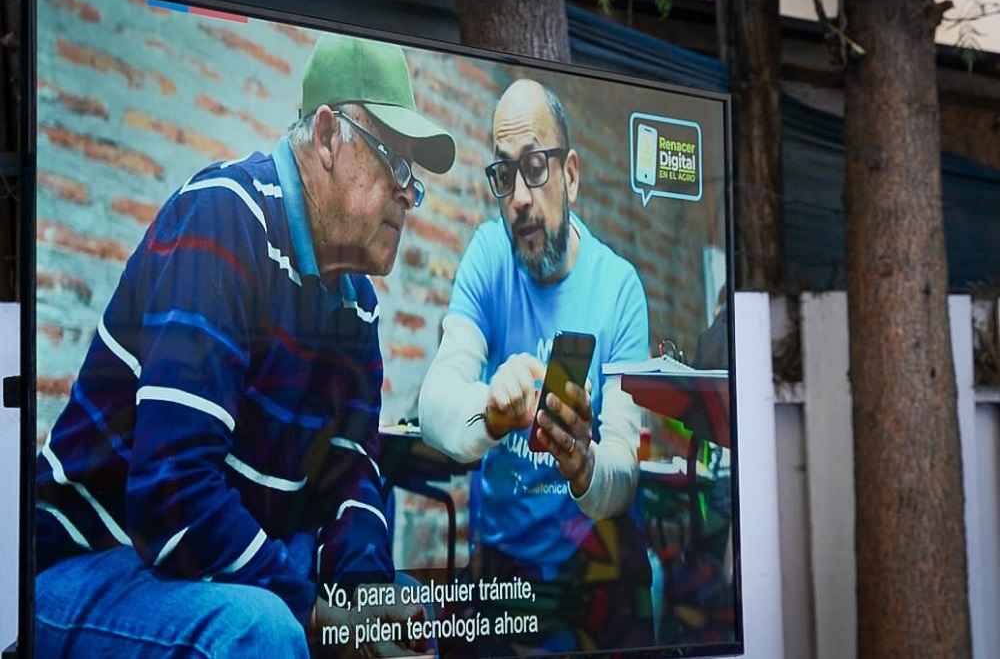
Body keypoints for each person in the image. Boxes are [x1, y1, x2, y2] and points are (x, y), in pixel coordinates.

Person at [34, 33, 455, 658]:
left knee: (407, 616)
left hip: (196, 568)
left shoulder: (357, 305)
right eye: (394, 159)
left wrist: (364, 611)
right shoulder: (225, 218)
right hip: (88, 563)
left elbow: (353, 482)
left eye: (412, 178)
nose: (406, 192)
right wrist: (320, 617)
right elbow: (173, 493)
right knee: (262, 630)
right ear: (327, 137)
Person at [418, 78, 653, 654]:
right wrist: (492, 413)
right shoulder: (487, 257)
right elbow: (435, 405)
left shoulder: (618, 287)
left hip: (593, 567)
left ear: (570, 174)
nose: (520, 195)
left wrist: (583, 465)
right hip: (501, 573)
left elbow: (623, 470)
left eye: (536, 168)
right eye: (504, 174)